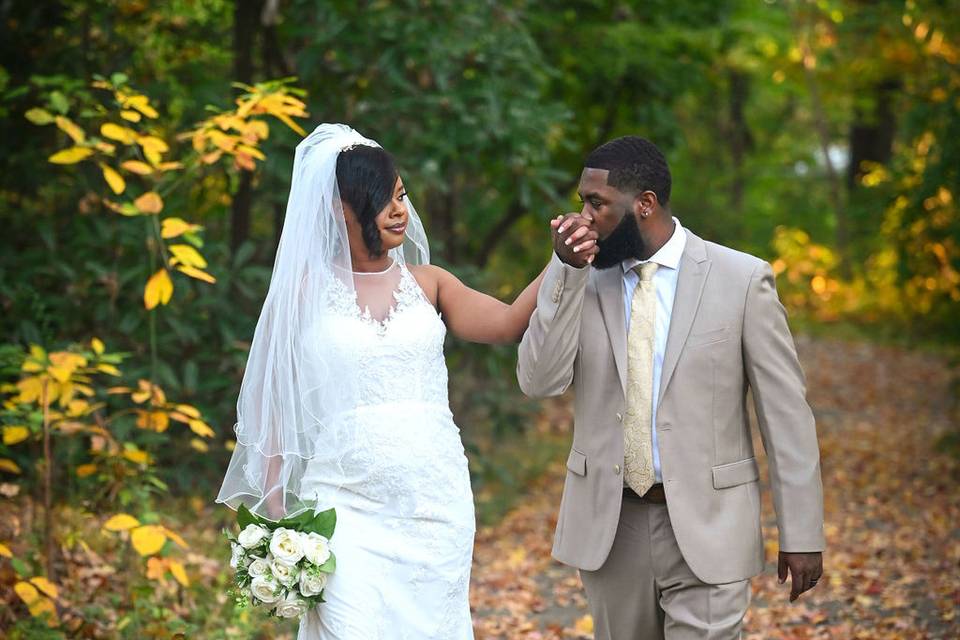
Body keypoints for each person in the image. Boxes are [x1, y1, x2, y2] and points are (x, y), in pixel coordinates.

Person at [215, 123, 594, 639]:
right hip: (343, 507)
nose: (399, 211)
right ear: (338, 209)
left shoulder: (430, 283)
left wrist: (561, 261)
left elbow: (507, 322)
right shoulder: (301, 294)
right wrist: (279, 513)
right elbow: (274, 402)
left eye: (401, 196)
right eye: (382, 200)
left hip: (434, 502)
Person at [517, 136, 825, 639]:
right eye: (581, 203)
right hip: (612, 528)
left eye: (597, 204)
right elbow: (538, 380)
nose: (583, 218)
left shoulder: (742, 279)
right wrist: (566, 273)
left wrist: (803, 531)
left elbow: (786, 414)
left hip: (711, 522)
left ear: (645, 204)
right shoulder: (579, 279)